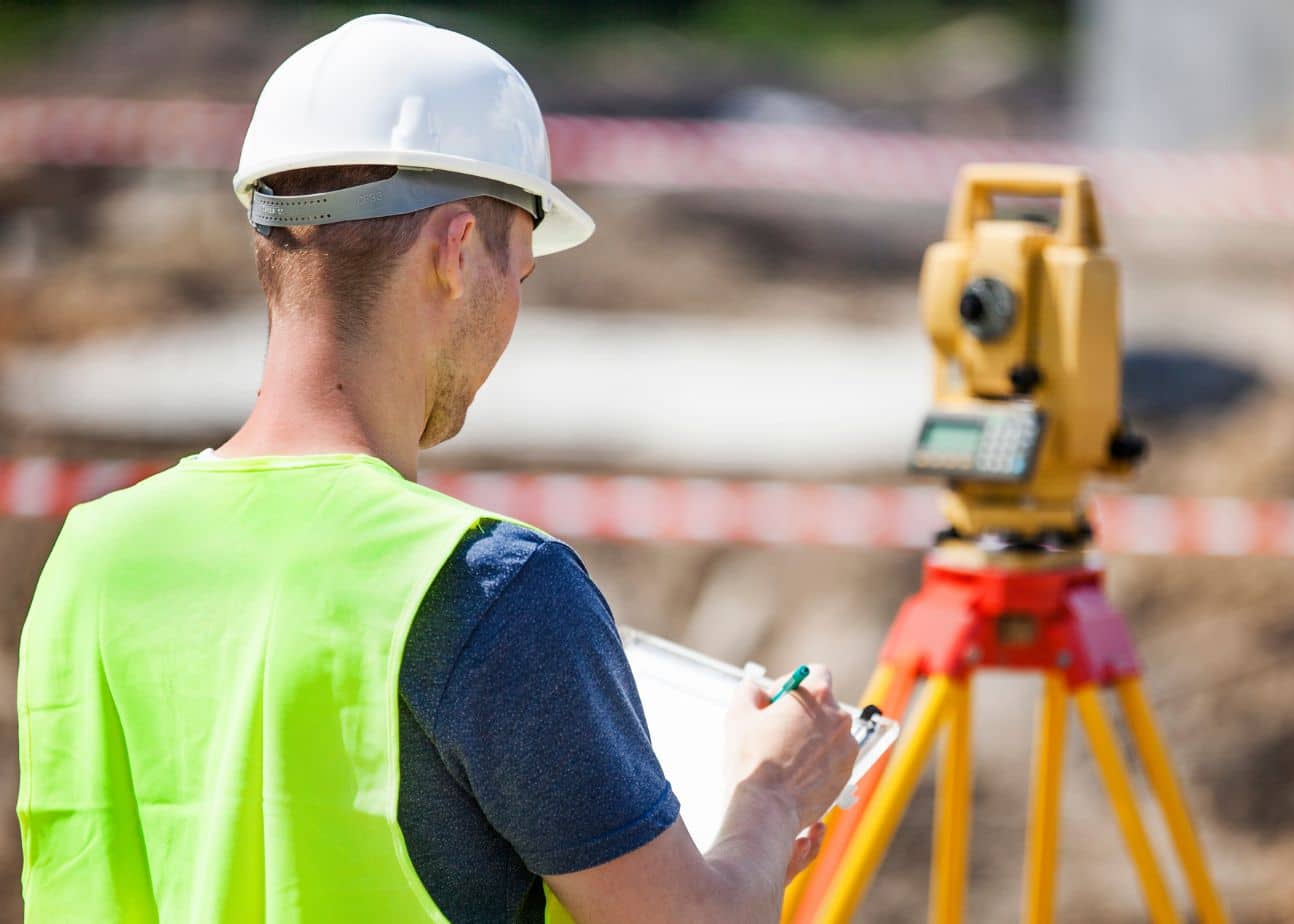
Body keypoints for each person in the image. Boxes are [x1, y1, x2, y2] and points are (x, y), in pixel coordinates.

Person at [15, 14, 857, 923]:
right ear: (456, 252)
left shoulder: (91, 560)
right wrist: (769, 796)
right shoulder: (488, 588)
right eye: (519, 274)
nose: (512, 317)